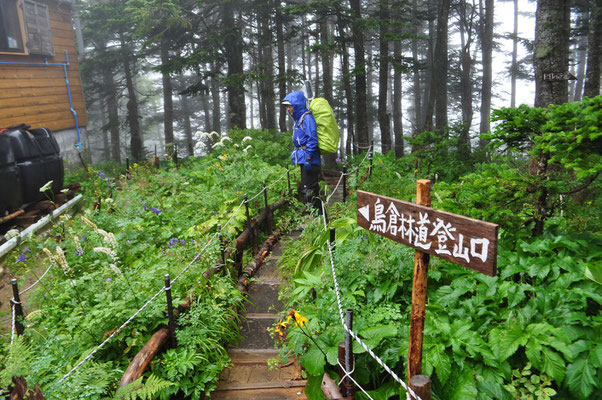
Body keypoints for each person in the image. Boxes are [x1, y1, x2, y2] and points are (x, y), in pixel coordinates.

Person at [282, 91, 321, 212]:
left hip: (309, 160)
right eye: (288, 107)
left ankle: (314, 217)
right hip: (305, 159)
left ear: (297, 105)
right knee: (310, 188)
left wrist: (308, 158)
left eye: (290, 106)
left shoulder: (307, 118)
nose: (289, 109)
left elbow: (312, 139)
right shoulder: (300, 119)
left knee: (308, 190)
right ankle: (318, 216)